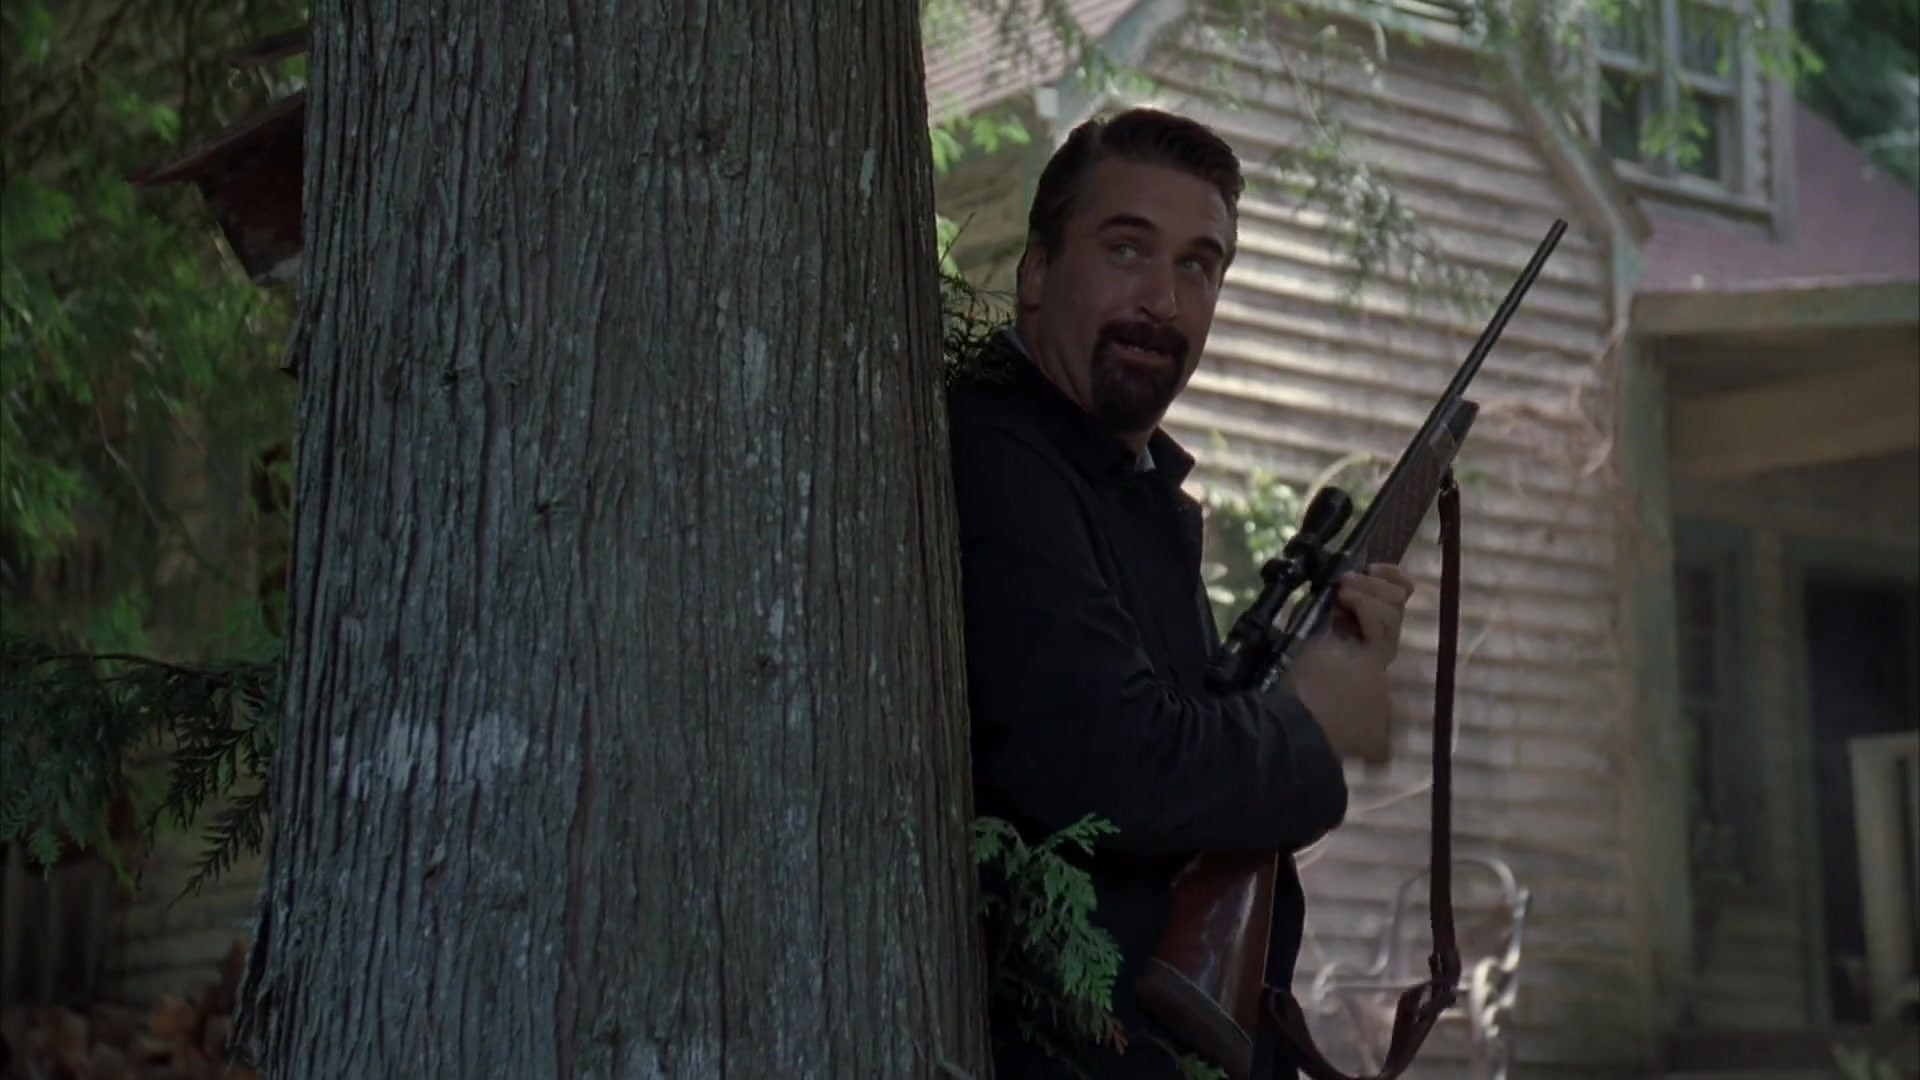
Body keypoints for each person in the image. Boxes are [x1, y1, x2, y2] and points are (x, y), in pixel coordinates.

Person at [947, 107, 1417, 1078]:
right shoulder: (998, 454)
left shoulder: (1127, 486)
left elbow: (1181, 760)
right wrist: (1312, 725)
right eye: (1127, 250)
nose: (1163, 300)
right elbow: (1113, 760)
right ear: (1037, 272)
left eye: (1198, 266)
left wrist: (1322, 664)